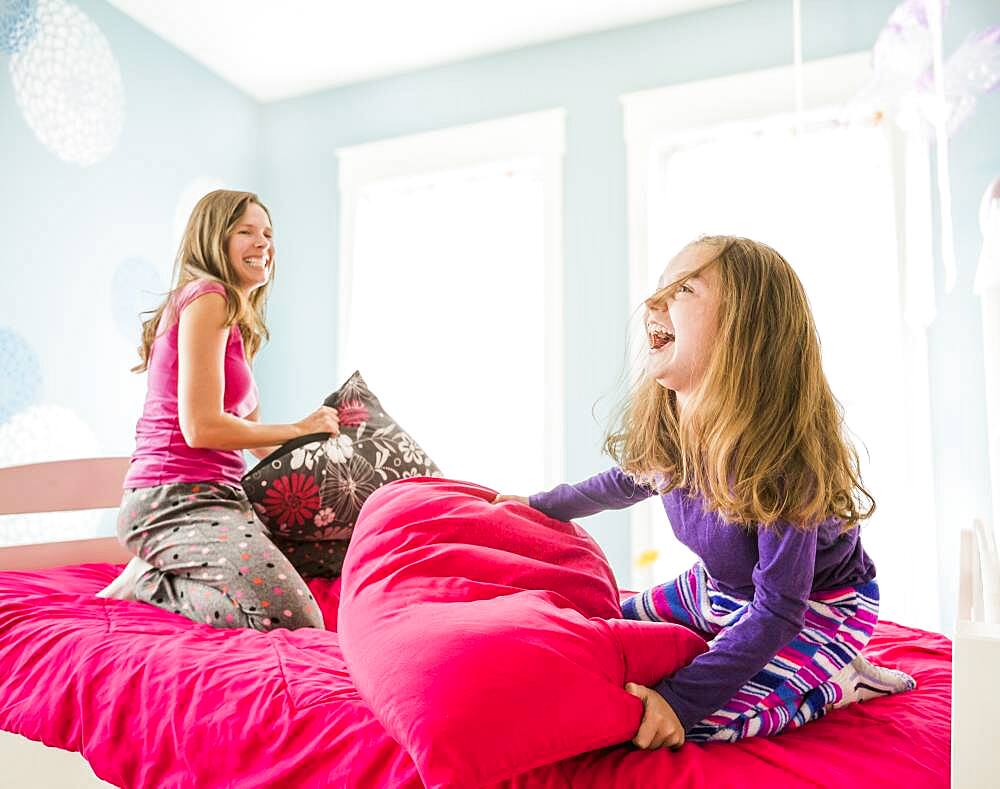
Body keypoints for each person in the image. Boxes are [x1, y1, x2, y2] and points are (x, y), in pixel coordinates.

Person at [495, 235, 915, 747]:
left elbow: (780, 608)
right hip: (720, 586)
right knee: (604, 624)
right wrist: (536, 507)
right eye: (658, 290)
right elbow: (617, 485)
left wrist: (680, 700)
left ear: (745, 332)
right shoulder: (677, 435)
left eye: (683, 290)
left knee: (702, 723)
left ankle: (839, 681)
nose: (652, 303)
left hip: (817, 603)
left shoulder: (787, 464)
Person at [97, 189, 339, 632]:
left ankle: (163, 569)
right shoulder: (210, 297)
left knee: (329, 554)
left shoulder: (239, 327)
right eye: (245, 231)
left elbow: (254, 442)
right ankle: (155, 582)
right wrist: (299, 427)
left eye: (268, 233)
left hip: (222, 498)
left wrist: (325, 458)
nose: (263, 242)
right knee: (294, 618)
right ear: (213, 240)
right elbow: (200, 427)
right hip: (171, 500)